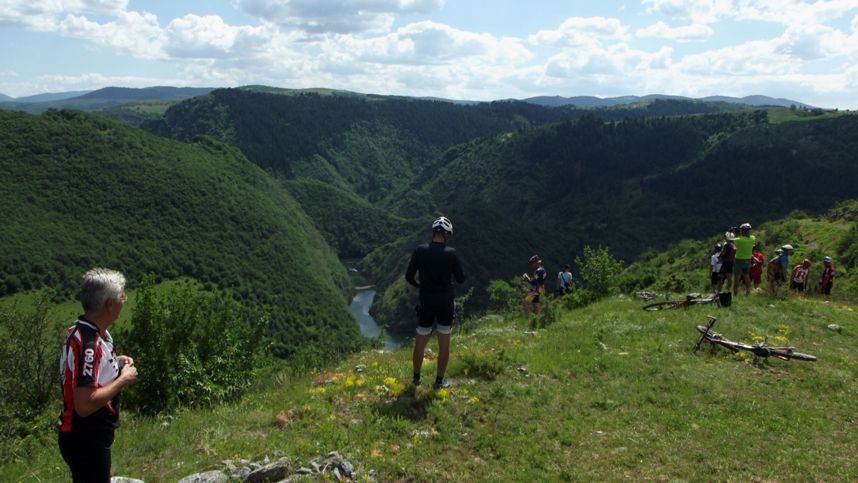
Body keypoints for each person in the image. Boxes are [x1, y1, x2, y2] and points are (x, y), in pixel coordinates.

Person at [58, 268, 138, 483]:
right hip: (86, 437)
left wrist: (115, 362)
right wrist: (123, 380)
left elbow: (89, 372)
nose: (125, 300)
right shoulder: (90, 345)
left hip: (85, 435)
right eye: (122, 296)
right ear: (110, 304)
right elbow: (84, 405)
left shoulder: (86, 331)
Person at [405, 216, 465, 389]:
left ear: (433, 232)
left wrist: (421, 285)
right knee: (444, 341)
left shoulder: (420, 251)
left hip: (426, 301)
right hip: (445, 301)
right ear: (447, 235)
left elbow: (409, 276)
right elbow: (461, 279)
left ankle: (416, 378)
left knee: (421, 341)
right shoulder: (451, 254)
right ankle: (439, 381)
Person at [732, 223, 756, 296]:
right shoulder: (753, 238)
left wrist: (732, 234)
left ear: (742, 231)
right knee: (746, 276)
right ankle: (748, 292)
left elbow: (729, 240)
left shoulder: (739, 240)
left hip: (739, 260)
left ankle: (735, 293)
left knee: (737, 276)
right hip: (748, 260)